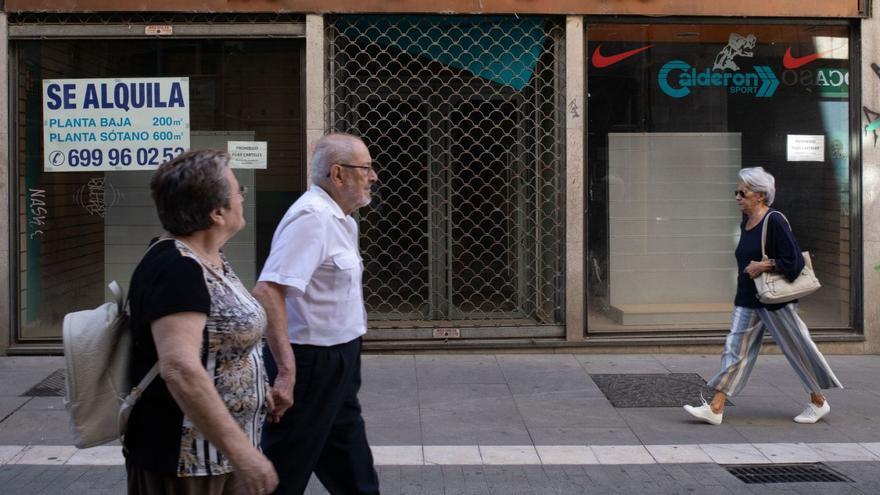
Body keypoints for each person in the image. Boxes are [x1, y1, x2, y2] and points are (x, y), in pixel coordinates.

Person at [125, 150, 280, 495]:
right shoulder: (176, 268)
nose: (243, 197)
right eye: (239, 190)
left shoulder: (210, 257)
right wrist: (244, 455)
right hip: (187, 461)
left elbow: (220, 338)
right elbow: (179, 368)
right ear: (217, 213)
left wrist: (254, 384)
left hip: (223, 455)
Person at [253, 133, 380, 495]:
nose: (373, 176)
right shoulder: (312, 218)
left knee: (350, 460)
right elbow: (268, 291)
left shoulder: (342, 219)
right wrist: (288, 372)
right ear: (338, 174)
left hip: (341, 356)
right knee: (285, 468)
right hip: (311, 363)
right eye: (366, 168)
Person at [683, 166, 842, 426]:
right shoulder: (745, 221)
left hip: (775, 301)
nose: (737, 196)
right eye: (736, 192)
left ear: (759, 195)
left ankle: (818, 401)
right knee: (734, 351)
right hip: (747, 299)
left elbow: (794, 262)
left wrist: (763, 265)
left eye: (742, 192)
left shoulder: (775, 220)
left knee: (797, 350)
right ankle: (716, 407)